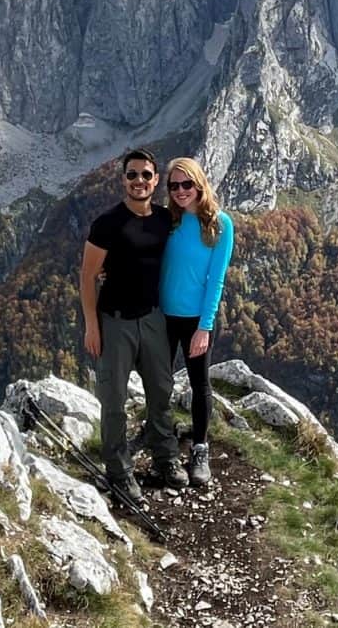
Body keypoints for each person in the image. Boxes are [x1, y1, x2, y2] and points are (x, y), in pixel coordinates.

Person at [80, 149, 188, 503]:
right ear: (123, 180)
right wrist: (92, 327)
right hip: (115, 323)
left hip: (153, 318)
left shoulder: (163, 219)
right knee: (113, 400)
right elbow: (87, 277)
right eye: (132, 175)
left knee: (161, 391)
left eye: (146, 175)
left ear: (156, 181)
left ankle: (166, 458)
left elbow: (196, 226)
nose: (139, 181)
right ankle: (119, 470)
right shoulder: (107, 223)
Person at [160, 157, 234, 486]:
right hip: (162, 315)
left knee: (199, 383)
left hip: (195, 320)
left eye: (186, 184)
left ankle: (200, 448)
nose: (180, 191)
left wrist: (205, 326)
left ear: (199, 184)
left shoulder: (220, 225)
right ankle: (160, 438)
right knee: (158, 380)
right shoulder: (167, 221)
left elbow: (215, 280)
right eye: (173, 186)